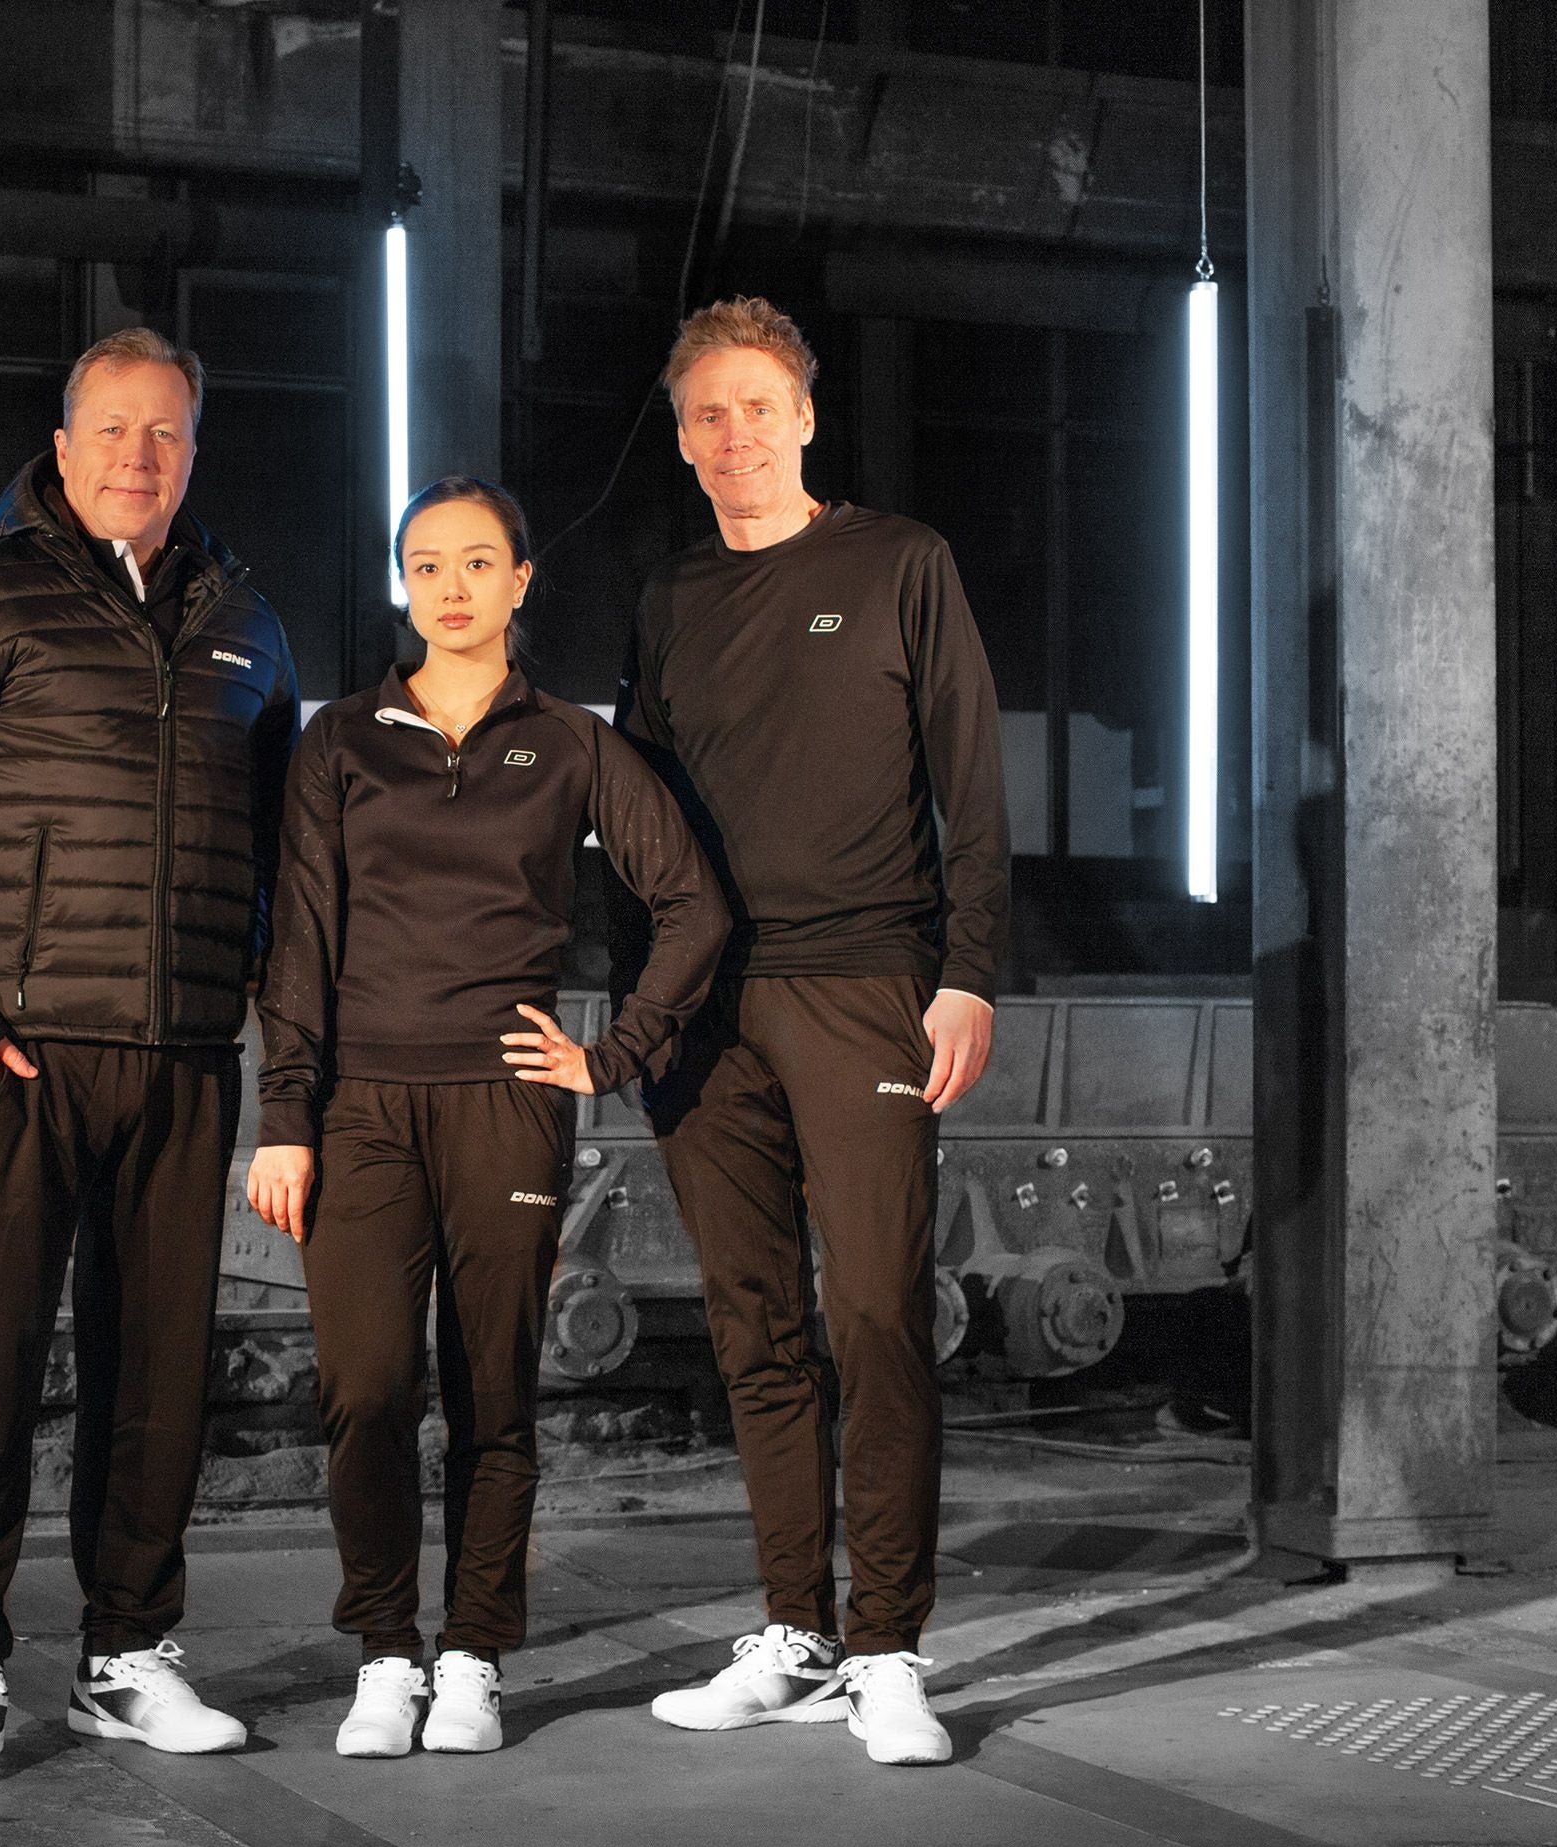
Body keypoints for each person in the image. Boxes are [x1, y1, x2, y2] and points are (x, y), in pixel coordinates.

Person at [0, 327, 300, 1782]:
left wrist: (243, 1010)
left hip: (183, 1057)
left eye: (163, 432)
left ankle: (127, 1656)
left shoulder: (249, 626)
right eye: (111, 428)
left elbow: (285, 856)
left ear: (193, 452)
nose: (135, 456)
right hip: (23, 1056)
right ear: (61, 445)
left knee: (159, 1375)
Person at [247, 476, 728, 1759]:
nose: (450, 586)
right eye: (426, 563)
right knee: (364, 1389)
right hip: (359, 1106)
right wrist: (284, 1114)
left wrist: (612, 1054)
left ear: (520, 582)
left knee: (494, 1392)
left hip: (507, 1105)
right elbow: (299, 938)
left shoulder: (570, 743)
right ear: (402, 585)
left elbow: (693, 904)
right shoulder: (341, 741)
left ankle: (473, 1655)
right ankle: (384, 1651)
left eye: (476, 562)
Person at [613, 297, 1010, 1767]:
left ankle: (888, 1649)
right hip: (704, 1011)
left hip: (865, 986)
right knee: (755, 1326)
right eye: (706, 414)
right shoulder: (669, 599)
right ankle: (796, 1632)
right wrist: (640, 1011)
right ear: (682, 438)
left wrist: (969, 971)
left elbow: (972, 777)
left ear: (806, 419)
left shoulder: (899, 563)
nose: (734, 435)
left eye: (757, 407)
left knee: (878, 1316)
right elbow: (634, 816)